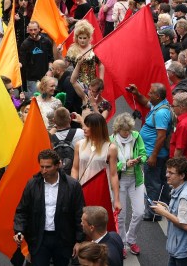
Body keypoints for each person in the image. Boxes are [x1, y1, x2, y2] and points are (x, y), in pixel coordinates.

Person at [14, 149, 85, 266]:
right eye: (41, 167)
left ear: (58, 165)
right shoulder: (32, 184)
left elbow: (79, 214)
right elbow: (22, 211)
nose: (44, 170)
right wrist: (19, 231)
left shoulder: (72, 186)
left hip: (63, 239)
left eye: (48, 167)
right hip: (39, 239)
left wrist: (79, 241)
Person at [128, 82, 172, 219]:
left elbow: (161, 137)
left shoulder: (161, 113)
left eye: (151, 93)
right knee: (161, 182)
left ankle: (154, 214)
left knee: (153, 184)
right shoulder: (159, 105)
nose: (148, 94)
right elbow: (147, 103)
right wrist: (137, 94)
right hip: (154, 153)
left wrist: (153, 156)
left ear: (158, 96)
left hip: (155, 155)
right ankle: (164, 207)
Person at [150, 156, 187, 266]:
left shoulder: (185, 197)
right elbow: (179, 214)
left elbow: (186, 225)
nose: (167, 175)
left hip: (183, 251)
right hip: (177, 248)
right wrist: (166, 208)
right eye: (167, 172)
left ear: (182, 176)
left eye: (171, 173)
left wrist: (164, 213)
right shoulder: (178, 189)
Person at [110, 113, 146, 256]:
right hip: (119, 181)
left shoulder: (136, 137)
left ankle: (131, 239)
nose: (127, 133)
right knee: (121, 215)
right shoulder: (111, 141)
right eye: (125, 130)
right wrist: (124, 164)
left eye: (129, 130)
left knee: (140, 212)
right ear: (118, 129)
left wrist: (140, 159)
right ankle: (122, 243)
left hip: (136, 179)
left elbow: (144, 153)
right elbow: (110, 164)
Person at [71, 113, 121, 211]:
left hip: (101, 191)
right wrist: (73, 187)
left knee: (99, 222)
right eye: (84, 125)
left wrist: (117, 200)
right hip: (82, 189)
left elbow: (114, 174)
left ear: (97, 128)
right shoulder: (79, 145)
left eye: (88, 126)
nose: (84, 128)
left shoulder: (111, 148)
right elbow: (75, 168)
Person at [19, 21, 55, 95]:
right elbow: (22, 62)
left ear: (39, 29)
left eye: (35, 30)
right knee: (34, 100)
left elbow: (51, 59)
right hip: (32, 79)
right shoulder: (25, 44)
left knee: (46, 99)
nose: (33, 32)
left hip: (46, 77)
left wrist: (50, 70)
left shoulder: (46, 41)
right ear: (28, 30)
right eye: (31, 30)